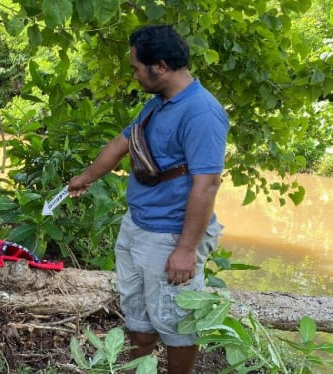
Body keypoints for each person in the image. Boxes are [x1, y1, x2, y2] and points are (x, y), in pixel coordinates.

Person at [68, 25, 229, 373]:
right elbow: (120, 143)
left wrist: (186, 249)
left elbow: (207, 186)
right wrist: (86, 178)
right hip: (136, 227)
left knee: (178, 327)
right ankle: (139, 368)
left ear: (160, 66)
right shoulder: (157, 105)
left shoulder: (202, 113)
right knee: (138, 317)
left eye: (136, 68)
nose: (135, 75)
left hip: (170, 236)